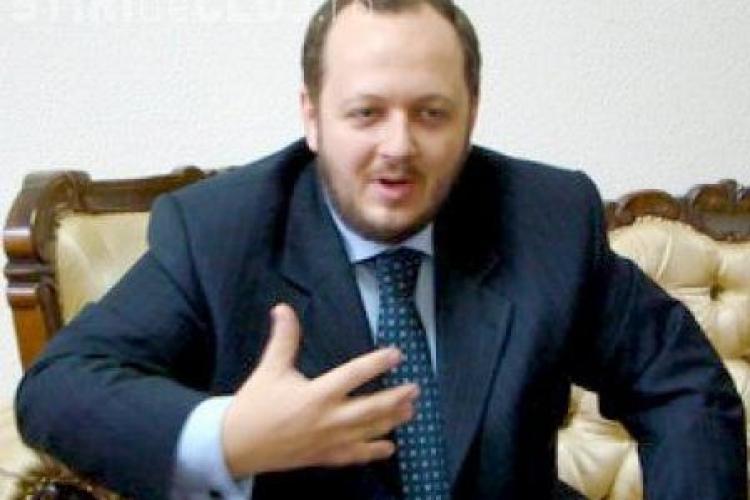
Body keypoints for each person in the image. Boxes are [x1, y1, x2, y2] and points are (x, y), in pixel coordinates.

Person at [15, 0, 747, 499]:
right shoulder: (221, 233)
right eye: (365, 113)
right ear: (312, 117)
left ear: (471, 115)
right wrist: (231, 438)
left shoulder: (543, 218)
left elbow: (680, 383)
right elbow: (58, 390)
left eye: (431, 113)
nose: (398, 146)